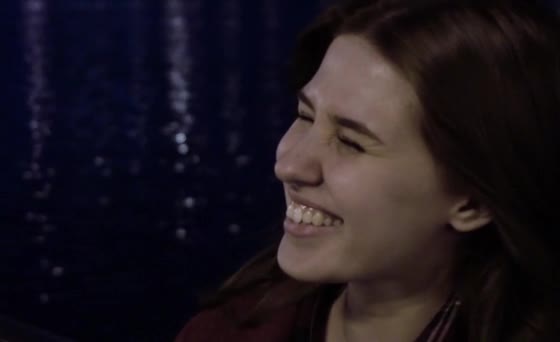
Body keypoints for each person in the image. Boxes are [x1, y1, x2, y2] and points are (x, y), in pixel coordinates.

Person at [175, 0, 560, 340]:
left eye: (351, 141)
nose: (289, 164)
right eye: (305, 115)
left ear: (472, 204)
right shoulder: (222, 331)